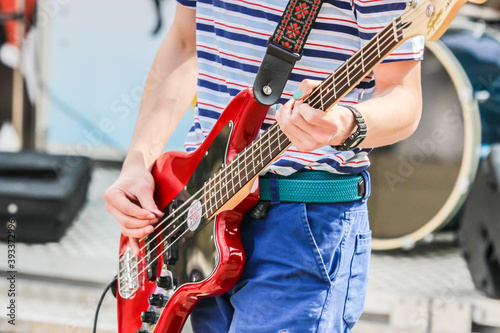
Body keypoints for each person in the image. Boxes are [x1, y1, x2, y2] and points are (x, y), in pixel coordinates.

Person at [104, 0, 424, 331]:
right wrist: (137, 164)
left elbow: (404, 97)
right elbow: (185, 44)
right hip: (197, 208)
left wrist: (345, 123)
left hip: (301, 221)